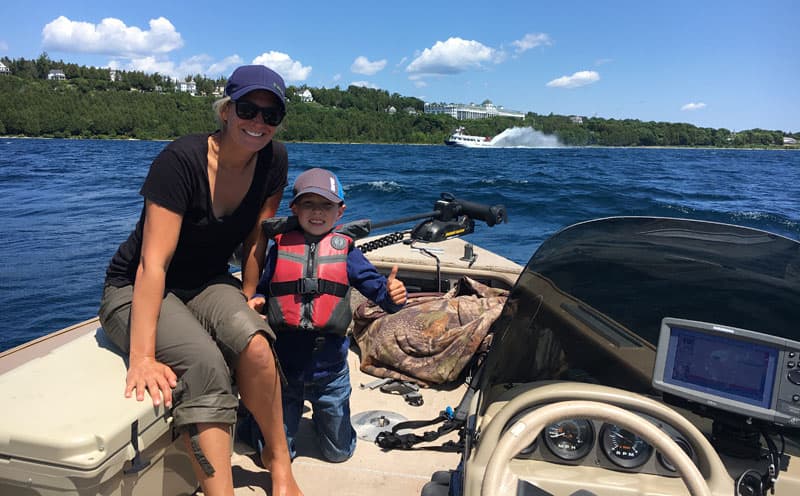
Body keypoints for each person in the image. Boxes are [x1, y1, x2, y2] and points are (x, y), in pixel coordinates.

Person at [98, 65, 302, 496]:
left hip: (207, 282)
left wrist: (249, 296)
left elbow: (255, 240)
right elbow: (152, 263)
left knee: (258, 346)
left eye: (271, 116)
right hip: (136, 288)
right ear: (226, 111)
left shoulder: (274, 161)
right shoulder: (181, 161)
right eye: (248, 109)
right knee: (205, 364)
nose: (258, 123)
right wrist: (142, 355)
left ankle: (278, 461)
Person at [244, 167, 407, 462]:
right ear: (294, 208)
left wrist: (393, 295)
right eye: (309, 204)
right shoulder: (279, 249)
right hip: (284, 371)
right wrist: (256, 299)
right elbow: (265, 287)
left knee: (339, 454)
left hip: (330, 373)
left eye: (326, 205)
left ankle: (326, 423)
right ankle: (258, 421)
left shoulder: (347, 252)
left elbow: (378, 292)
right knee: (276, 456)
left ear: (340, 211)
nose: (317, 212)